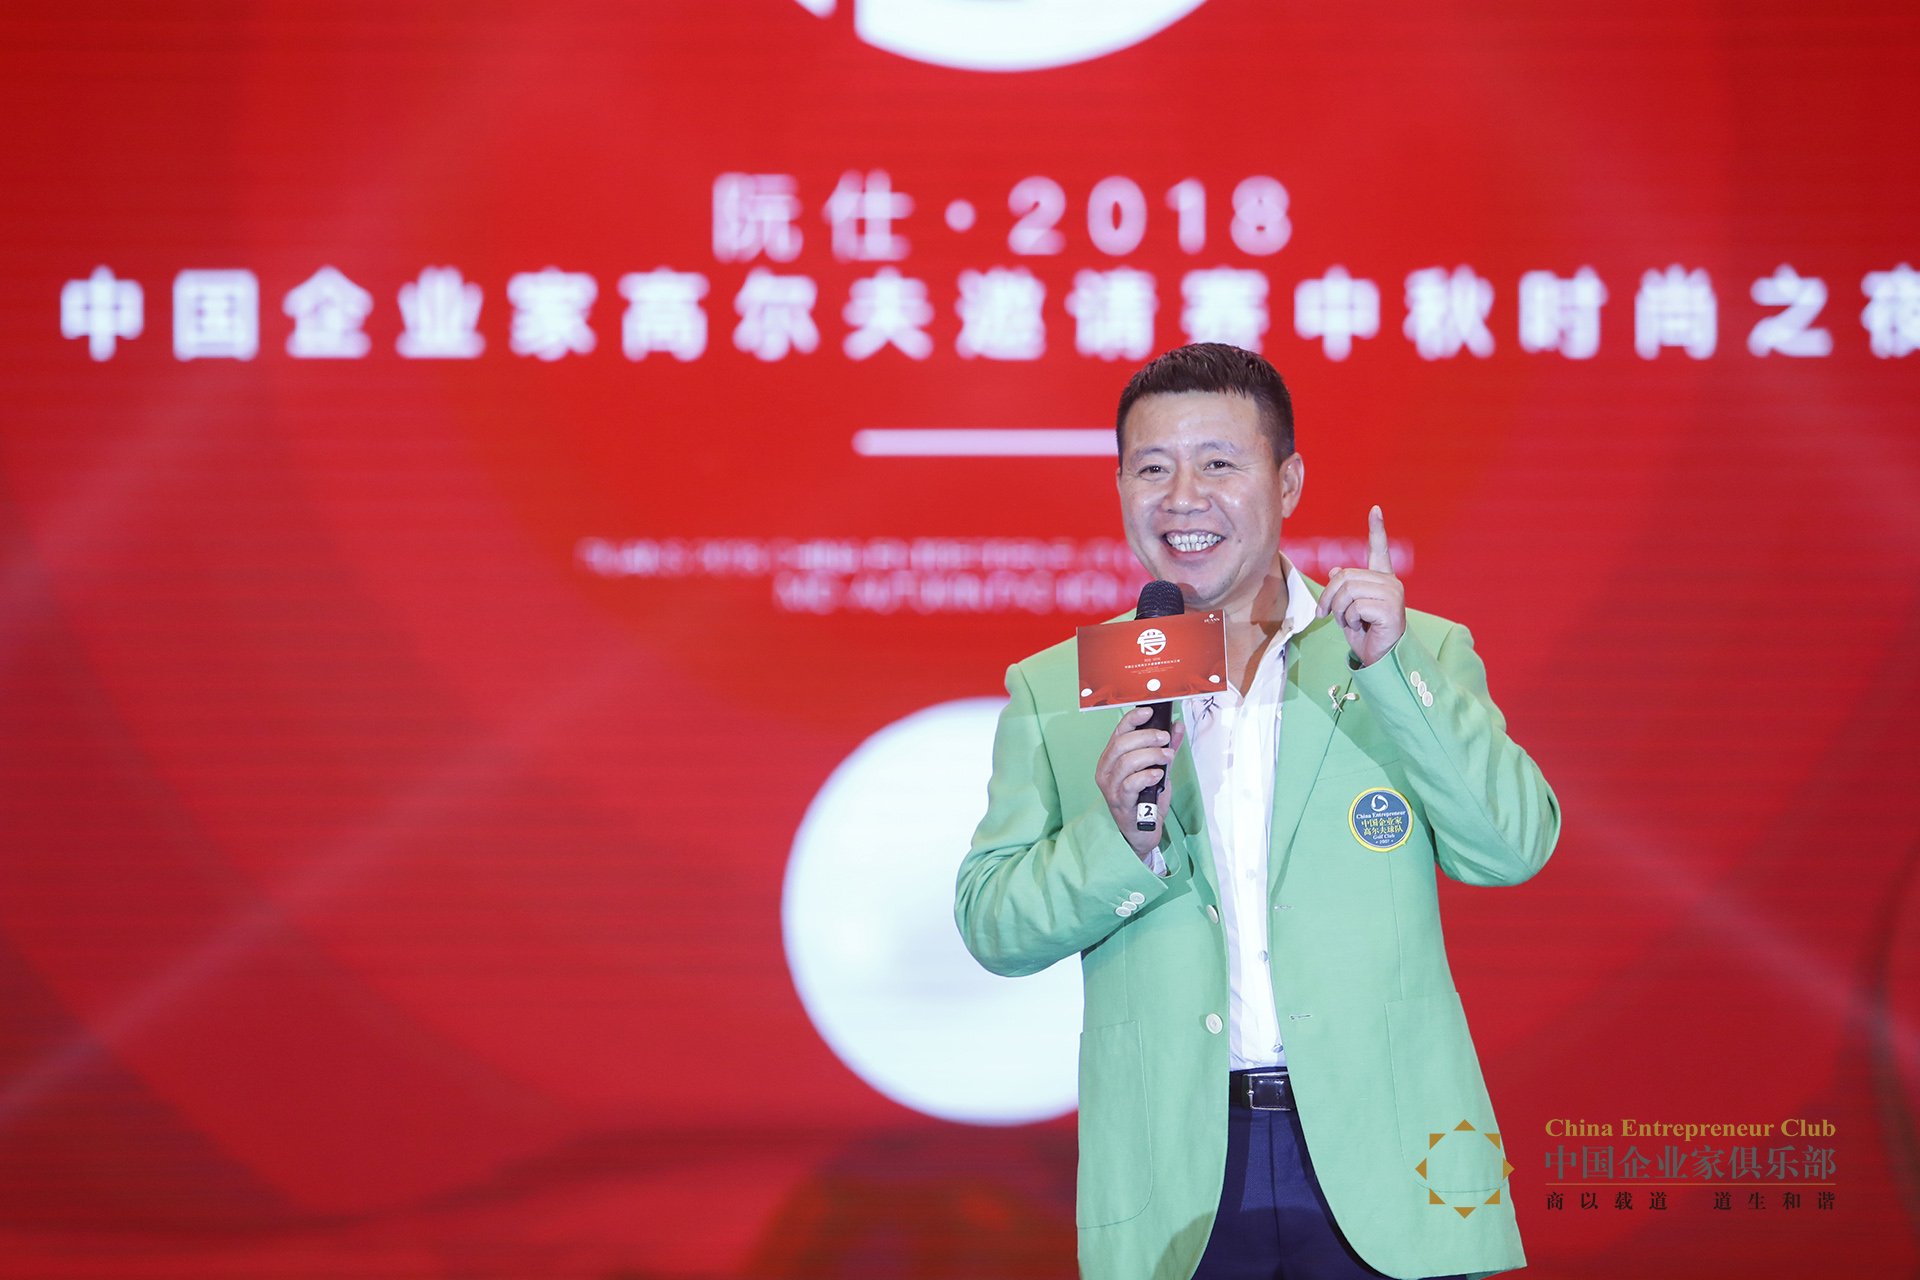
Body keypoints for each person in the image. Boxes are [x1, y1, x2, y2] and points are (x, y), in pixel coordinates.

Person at [953, 343, 1559, 1280]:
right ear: (1121, 487)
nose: (1183, 499)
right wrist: (1115, 840)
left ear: (1289, 481)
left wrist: (1394, 671)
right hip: (1176, 1172)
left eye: (1218, 464)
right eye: (1153, 469)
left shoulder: (1401, 652)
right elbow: (994, 925)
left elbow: (1511, 848)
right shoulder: (1060, 689)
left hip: (1389, 1156)